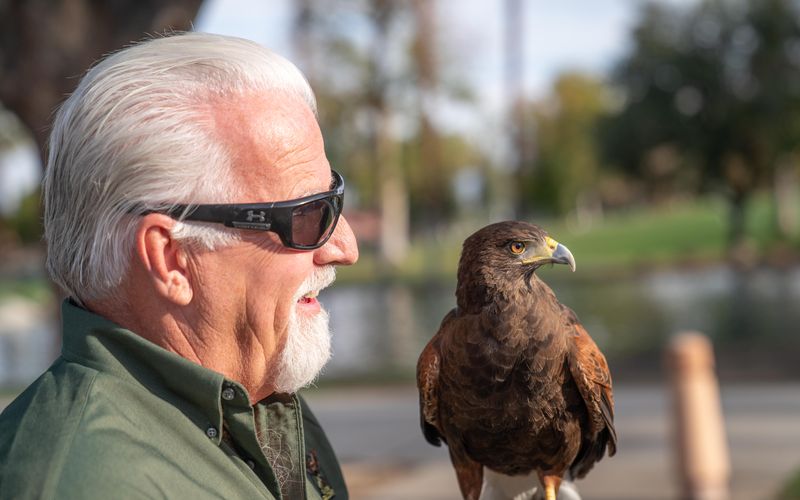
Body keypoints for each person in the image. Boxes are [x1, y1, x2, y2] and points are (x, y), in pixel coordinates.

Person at [0, 32, 358, 500]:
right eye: (308, 216)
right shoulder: (82, 482)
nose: (345, 246)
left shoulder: (261, 404)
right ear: (171, 259)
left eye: (334, 196)